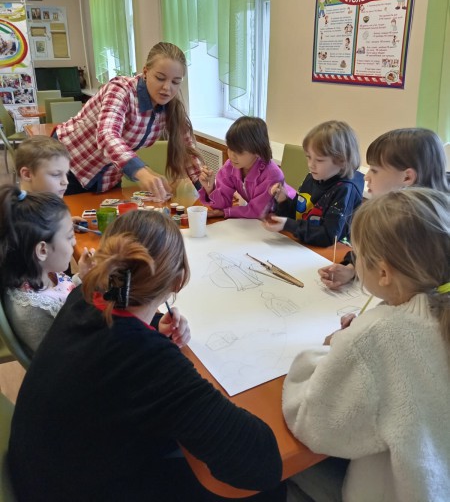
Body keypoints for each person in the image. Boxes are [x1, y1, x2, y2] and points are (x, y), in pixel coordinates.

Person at [8, 210, 286, 502]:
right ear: (178, 281)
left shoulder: (85, 296)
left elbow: (120, 333)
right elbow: (263, 465)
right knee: (269, 491)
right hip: (78, 489)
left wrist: (151, 325)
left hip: (40, 471)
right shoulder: (149, 360)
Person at [283, 188, 450, 502]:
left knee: (277, 475)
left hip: (397, 491)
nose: (354, 262)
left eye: (356, 255)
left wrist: (331, 348)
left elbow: (312, 423)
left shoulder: (378, 333)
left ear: (384, 273)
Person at [55, 42, 203, 199]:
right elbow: (107, 134)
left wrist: (206, 187)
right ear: (145, 72)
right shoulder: (121, 89)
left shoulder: (171, 107)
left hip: (106, 177)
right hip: (67, 165)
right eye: (160, 78)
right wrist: (141, 171)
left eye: (175, 82)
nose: (167, 87)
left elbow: (188, 150)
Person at [319, 127, 450, 289]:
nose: (366, 177)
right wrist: (352, 268)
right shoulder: (396, 212)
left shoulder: (430, 226)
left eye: (374, 170)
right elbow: (375, 251)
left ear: (407, 177)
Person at [0, 186, 93, 353]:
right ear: (42, 250)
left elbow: (64, 293)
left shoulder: (42, 274)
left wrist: (82, 277)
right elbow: (66, 356)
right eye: (69, 236)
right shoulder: (33, 310)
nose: (74, 243)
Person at [263, 120, 363, 247]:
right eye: (308, 157)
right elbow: (296, 217)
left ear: (342, 161)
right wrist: (283, 201)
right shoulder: (313, 177)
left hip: (330, 253)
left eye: (319, 160)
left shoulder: (345, 189)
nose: (311, 165)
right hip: (303, 245)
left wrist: (289, 225)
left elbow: (328, 236)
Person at [198, 116, 292, 219]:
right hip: (263, 220)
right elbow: (222, 206)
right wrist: (210, 189)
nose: (232, 155)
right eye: (230, 148)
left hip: (290, 216)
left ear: (257, 151)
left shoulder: (272, 175)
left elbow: (257, 211)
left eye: (239, 151)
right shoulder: (230, 167)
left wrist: (226, 212)